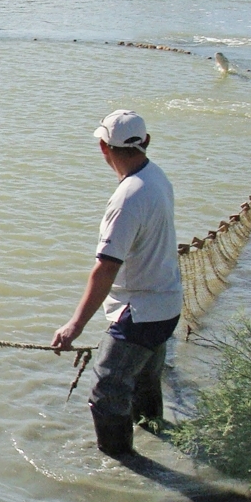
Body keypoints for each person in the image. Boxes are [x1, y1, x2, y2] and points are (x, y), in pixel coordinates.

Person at [51, 110, 182, 458]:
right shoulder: (156, 177)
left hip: (140, 314)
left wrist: (74, 326)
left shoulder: (127, 199)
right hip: (167, 306)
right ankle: (154, 432)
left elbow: (105, 269)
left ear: (103, 147)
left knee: (106, 391)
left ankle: (125, 466)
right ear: (146, 142)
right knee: (143, 380)